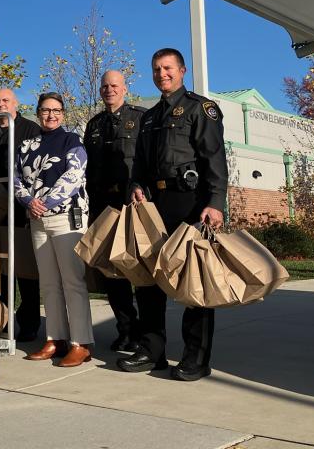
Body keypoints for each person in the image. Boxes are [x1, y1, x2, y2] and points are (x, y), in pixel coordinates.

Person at [120, 48, 226, 382]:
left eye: (167, 68)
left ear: (182, 71)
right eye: (156, 69)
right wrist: (136, 185)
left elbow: (214, 159)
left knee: (194, 281)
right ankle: (152, 351)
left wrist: (216, 202)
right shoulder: (150, 117)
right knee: (148, 280)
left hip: (190, 201)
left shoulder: (200, 108)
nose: (161, 74)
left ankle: (196, 358)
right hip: (156, 204)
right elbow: (139, 163)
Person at [15, 92, 94, 367]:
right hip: (37, 220)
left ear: (63, 114)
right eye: (46, 110)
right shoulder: (27, 145)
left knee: (72, 280)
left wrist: (46, 202)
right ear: (38, 113)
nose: (51, 115)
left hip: (66, 218)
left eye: (56, 110)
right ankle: (55, 338)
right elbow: (16, 177)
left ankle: (80, 343)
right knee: (48, 282)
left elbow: (74, 175)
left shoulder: (72, 140)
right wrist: (29, 201)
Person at [0, 88, 43, 341]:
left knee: (24, 268)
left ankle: (29, 323)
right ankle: (2, 319)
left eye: (5, 100)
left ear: (16, 104)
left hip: (22, 208)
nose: (0, 104)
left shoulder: (30, 130)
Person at [84, 71, 146, 353]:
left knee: (138, 268)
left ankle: (146, 333)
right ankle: (126, 329)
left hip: (131, 204)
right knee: (112, 272)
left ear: (124, 89)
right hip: (102, 204)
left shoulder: (141, 118)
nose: (109, 90)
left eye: (114, 86)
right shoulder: (94, 124)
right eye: (105, 86)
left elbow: (147, 160)